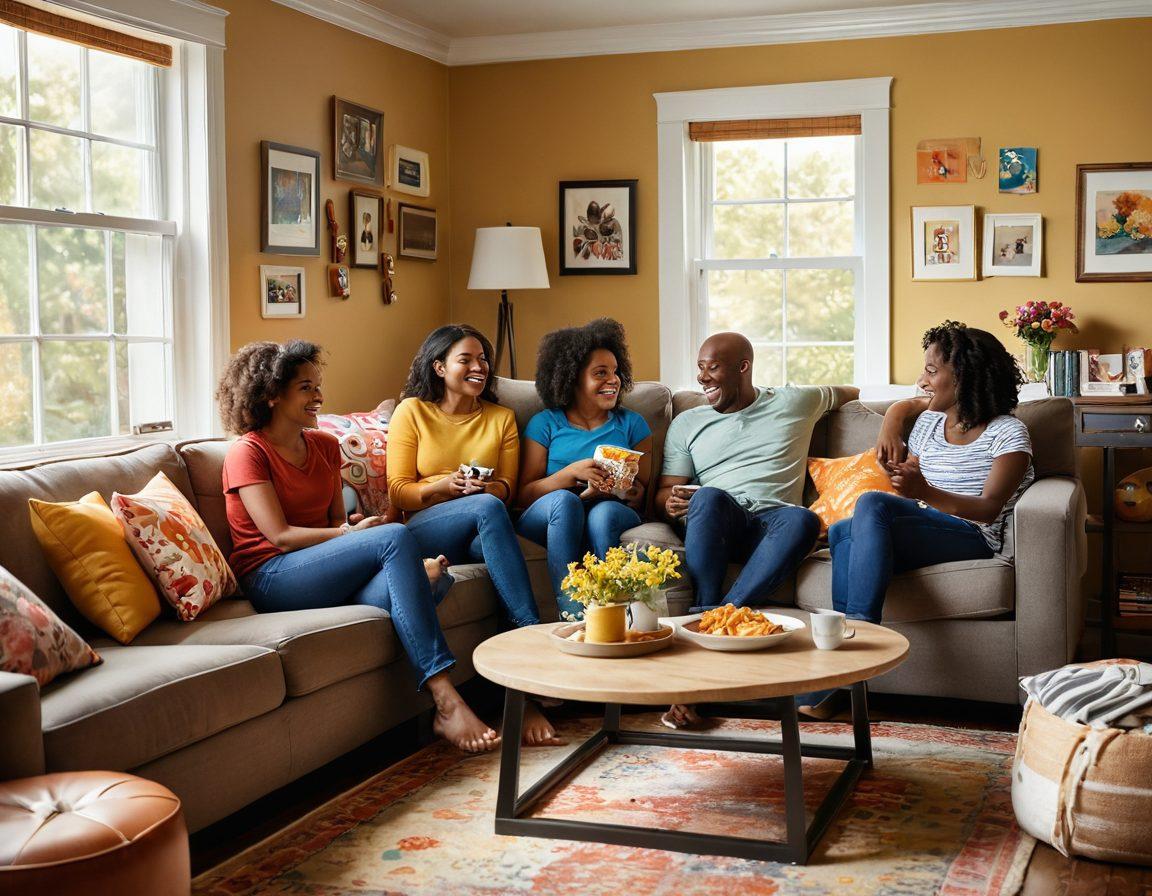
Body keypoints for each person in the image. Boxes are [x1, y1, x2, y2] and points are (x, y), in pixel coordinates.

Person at [217, 340, 499, 754]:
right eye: (306, 388)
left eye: (318, 386)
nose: (319, 397)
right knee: (399, 545)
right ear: (271, 394)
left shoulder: (325, 446)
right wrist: (355, 537)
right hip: (272, 575)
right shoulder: (248, 452)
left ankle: (418, 583)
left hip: (320, 569)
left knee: (433, 581)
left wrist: (355, 529)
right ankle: (445, 697)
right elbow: (278, 536)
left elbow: (333, 523)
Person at [803, 321, 1033, 720]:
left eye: (931, 371)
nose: (921, 380)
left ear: (964, 377)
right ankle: (848, 684)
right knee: (843, 530)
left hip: (973, 534)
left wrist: (921, 491)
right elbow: (911, 474)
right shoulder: (928, 424)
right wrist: (904, 461)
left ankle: (853, 656)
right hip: (927, 530)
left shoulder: (1008, 433)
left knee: (874, 505)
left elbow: (989, 508)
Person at [654, 332, 857, 727]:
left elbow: (849, 391)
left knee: (802, 518)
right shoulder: (687, 422)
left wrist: (898, 413)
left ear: (743, 368)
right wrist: (671, 503)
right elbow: (666, 491)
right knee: (709, 496)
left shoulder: (795, 401)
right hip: (718, 522)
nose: (703, 378)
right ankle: (711, 611)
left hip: (774, 525)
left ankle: (713, 621)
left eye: (713, 368)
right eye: (700, 368)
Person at [387, 324, 563, 746]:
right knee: (488, 510)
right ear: (439, 366)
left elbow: (507, 487)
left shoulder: (500, 419)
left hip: (480, 524)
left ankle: (515, 695)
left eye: (482, 359)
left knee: (490, 516)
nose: (478, 367)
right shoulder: (411, 411)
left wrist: (486, 490)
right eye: (465, 359)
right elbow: (399, 489)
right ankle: (530, 642)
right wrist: (444, 486)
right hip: (426, 526)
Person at [515, 319, 652, 618]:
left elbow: (643, 493)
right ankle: (574, 615)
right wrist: (570, 475)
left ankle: (616, 612)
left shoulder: (632, 424)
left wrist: (629, 491)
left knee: (602, 516)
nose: (613, 380)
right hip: (554, 511)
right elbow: (523, 496)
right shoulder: (545, 423)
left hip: (609, 506)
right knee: (566, 503)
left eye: (615, 372)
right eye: (600, 373)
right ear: (572, 378)